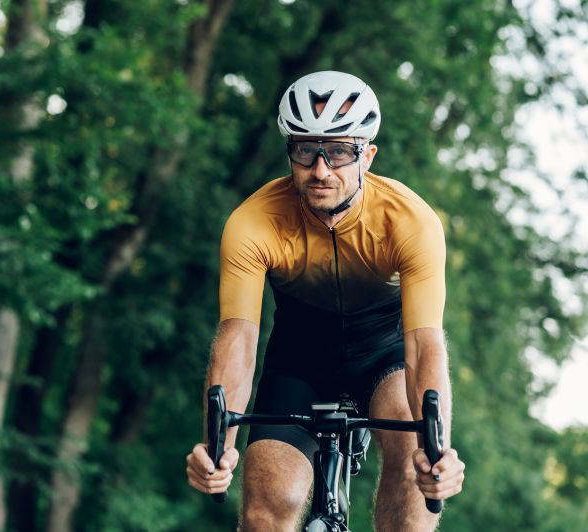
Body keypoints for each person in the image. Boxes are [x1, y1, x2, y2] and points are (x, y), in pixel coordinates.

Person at [185, 71, 465, 531]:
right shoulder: (254, 222)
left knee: (411, 461)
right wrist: (218, 446)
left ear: (367, 156)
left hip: (385, 358)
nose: (320, 170)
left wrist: (438, 453)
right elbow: (238, 336)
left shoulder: (410, 221)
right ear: (290, 153)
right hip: (298, 364)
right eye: (306, 150)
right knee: (265, 510)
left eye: (338, 151)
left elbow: (424, 345)